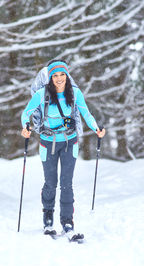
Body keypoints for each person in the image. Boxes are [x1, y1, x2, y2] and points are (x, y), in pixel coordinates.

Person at [21, 60, 105, 238]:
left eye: (62, 75)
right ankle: (48, 219)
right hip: (47, 142)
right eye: (55, 75)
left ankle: (67, 222)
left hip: (69, 142)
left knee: (67, 184)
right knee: (50, 183)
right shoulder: (41, 94)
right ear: (50, 78)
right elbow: (26, 113)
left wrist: (96, 128)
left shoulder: (75, 93)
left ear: (67, 76)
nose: (59, 79)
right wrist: (25, 127)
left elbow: (86, 113)